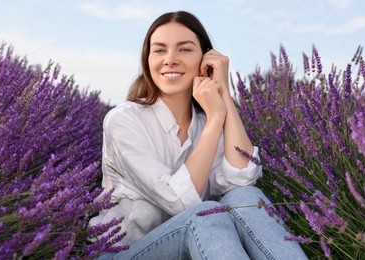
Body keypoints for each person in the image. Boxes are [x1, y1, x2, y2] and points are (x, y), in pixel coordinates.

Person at [90, 10, 308, 260]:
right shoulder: (124, 120)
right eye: (159, 50)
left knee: (247, 197)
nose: (170, 59)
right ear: (147, 60)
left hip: (197, 249)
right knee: (204, 216)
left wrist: (223, 92)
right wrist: (216, 119)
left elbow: (241, 179)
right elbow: (178, 202)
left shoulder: (203, 122)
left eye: (184, 49)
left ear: (205, 59)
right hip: (124, 253)